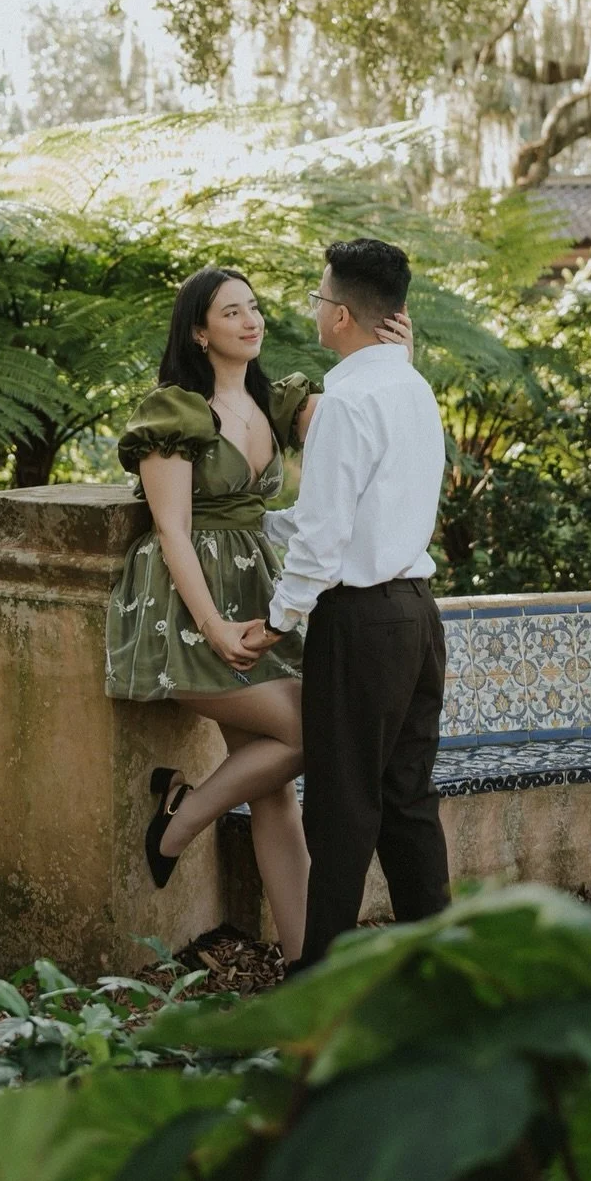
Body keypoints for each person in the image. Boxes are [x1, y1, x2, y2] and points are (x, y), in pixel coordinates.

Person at [105, 263, 409, 966]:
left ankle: (308, 964)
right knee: (311, 731)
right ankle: (180, 822)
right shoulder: (174, 412)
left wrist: (397, 357)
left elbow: (366, 420)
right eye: (231, 312)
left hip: (257, 593)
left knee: (276, 795)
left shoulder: (276, 403)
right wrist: (211, 625)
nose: (251, 320)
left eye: (255, 308)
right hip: (187, 605)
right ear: (199, 332)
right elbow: (172, 531)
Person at [243, 238, 449, 969]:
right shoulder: (413, 389)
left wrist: (277, 620)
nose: (314, 310)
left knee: (340, 810)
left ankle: (318, 982)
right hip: (418, 618)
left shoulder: (344, 403)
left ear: (340, 316)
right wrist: (259, 525)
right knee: (406, 802)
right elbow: (354, 513)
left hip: (360, 623)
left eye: (318, 298)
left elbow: (326, 537)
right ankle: (442, 969)